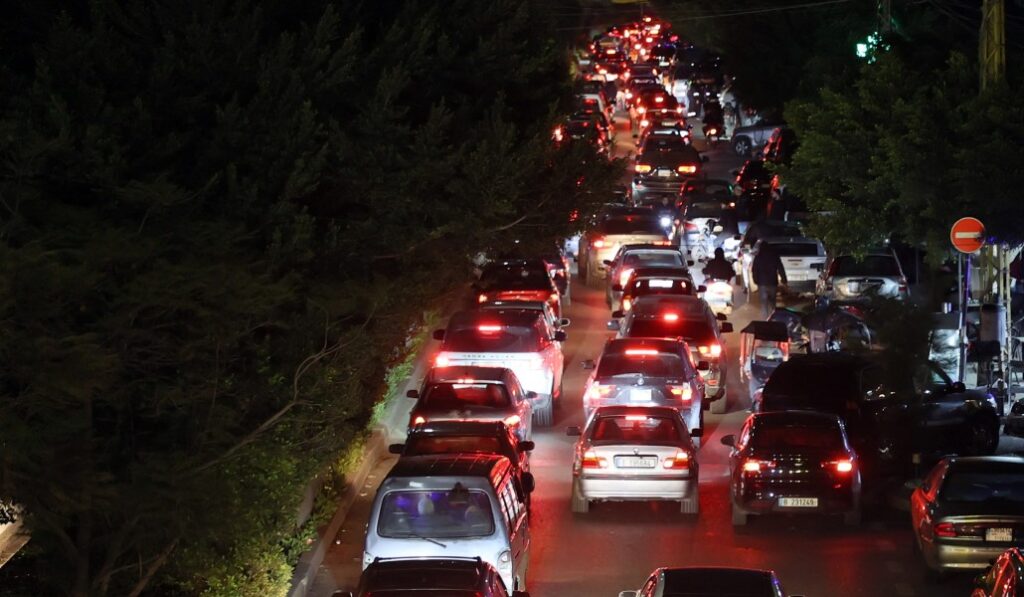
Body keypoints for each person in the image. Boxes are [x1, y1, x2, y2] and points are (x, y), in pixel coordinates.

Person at [752, 243, 787, 318]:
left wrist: (755, 280)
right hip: (772, 282)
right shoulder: (774, 256)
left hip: (762, 283)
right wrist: (784, 280)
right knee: (772, 303)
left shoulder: (758, 257)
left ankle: (765, 321)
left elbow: (754, 270)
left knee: (763, 303)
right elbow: (781, 269)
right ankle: (773, 319)